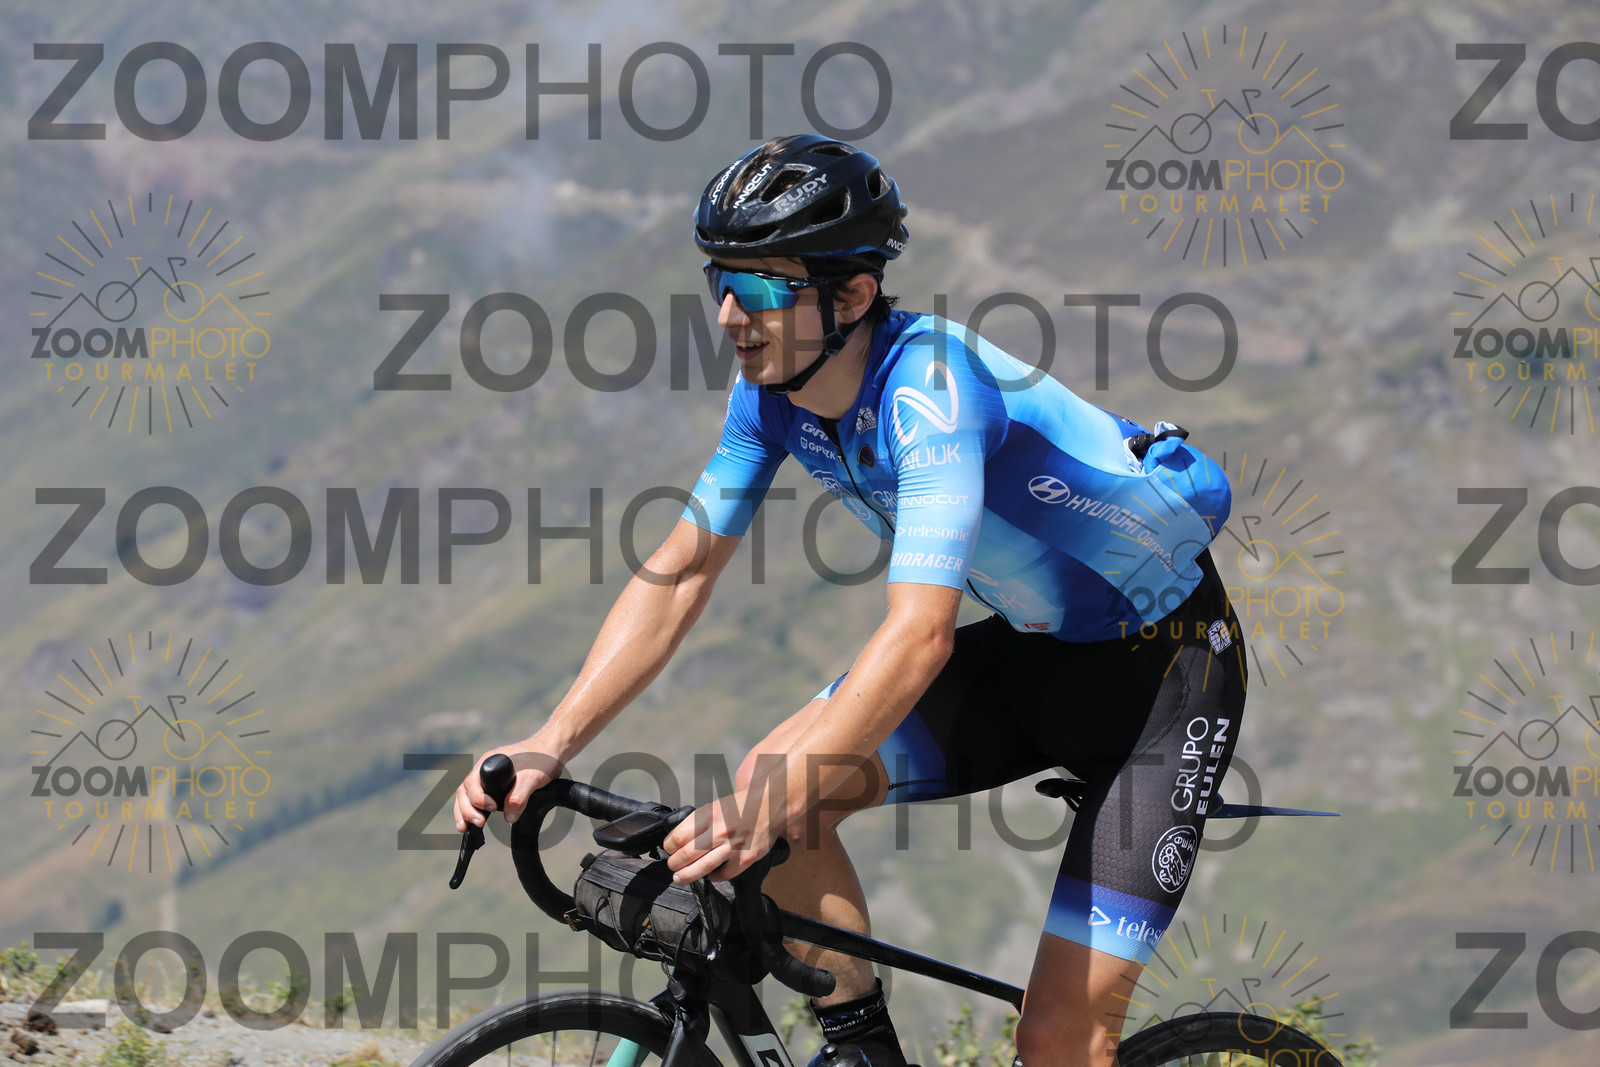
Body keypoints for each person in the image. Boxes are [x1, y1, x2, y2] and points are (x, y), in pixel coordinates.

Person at [456, 134, 1248, 1067]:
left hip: (1161, 689)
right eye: (718, 282)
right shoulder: (772, 397)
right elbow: (681, 572)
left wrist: (780, 795)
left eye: (756, 289)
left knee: (1058, 1041)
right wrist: (551, 740)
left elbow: (920, 636)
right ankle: (861, 1048)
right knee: (775, 782)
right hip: (1034, 656)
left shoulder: (933, 394)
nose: (728, 314)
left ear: (853, 295)